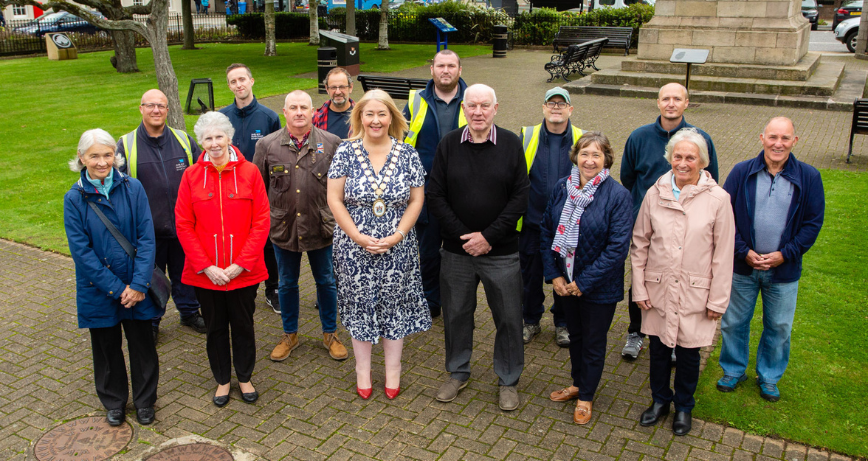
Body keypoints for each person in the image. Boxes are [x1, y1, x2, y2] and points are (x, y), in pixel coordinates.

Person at [427, 84, 529, 411]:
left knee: (510, 318)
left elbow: (520, 199)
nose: (478, 112)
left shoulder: (512, 144)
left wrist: (488, 237)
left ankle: (509, 379)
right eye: (472, 105)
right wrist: (465, 237)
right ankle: (458, 372)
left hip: (501, 252)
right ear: (465, 109)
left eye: (485, 105)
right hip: (457, 252)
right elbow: (436, 196)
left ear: (496, 108)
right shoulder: (448, 145)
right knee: (456, 315)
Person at [327, 89, 431, 400]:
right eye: (369, 114)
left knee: (394, 306)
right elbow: (334, 198)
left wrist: (398, 234)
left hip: (397, 247)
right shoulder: (345, 151)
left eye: (382, 114)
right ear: (359, 116)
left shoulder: (408, 153)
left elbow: (417, 199)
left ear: (391, 118)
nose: (376, 120)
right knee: (360, 307)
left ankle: (393, 369)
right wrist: (357, 236)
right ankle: (362, 371)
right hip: (354, 247)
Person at [630, 128, 734, 436]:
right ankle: (660, 401)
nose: (683, 163)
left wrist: (717, 300)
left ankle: (684, 408)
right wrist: (639, 286)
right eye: (678, 156)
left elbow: (723, 253)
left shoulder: (718, 199)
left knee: (689, 354)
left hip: (696, 292)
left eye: (691, 157)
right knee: (659, 350)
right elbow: (640, 243)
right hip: (658, 287)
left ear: (703, 161)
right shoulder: (654, 192)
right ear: (669, 159)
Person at [717, 117, 825, 402]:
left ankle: (769, 376)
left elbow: (813, 224)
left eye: (785, 138)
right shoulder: (741, 172)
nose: (779, 144)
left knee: (779, 326)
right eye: (773, 137)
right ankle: (733, 369)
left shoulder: (809, 176)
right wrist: (743, 251)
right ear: (762, 138)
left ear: (795, 141)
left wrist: (784, 255)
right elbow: (724, 217)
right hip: (743, 265)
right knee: (734, 321)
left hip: (784, 270)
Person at [64, 129, 159, 427]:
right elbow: (82, 253)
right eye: (94, 156)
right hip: (99, 290)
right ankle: (114, 401)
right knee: (106, 349)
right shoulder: (74, 198)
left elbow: (147, 238)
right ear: (82, 158)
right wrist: (119, 289)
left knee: (143, 346)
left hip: (137, 285)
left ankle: (145, 401)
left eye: (107, 154)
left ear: (114, 156)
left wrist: (139, 284)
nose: (102, 162)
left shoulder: (133, 188)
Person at [175, 112, 270, 407]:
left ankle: (244, 377)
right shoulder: (190, 176)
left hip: (243, 271)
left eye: (219, 137)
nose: (214, 144)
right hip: (207, 274)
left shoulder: (250, 172)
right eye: (208, 138)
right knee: (215, 328)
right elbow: (183, 223)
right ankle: (222, 381)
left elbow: (261, 221)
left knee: (243, 325)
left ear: (229, 138)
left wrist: (241, 263)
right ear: (201, 142)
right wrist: (206, 266)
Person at [619, 82, 719, 361]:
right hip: (648, 224)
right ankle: (637, 332)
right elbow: (628, 178)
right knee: (642, 277)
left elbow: (712, 181)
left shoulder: (701, 139)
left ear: (687, 103)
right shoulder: (638, 137)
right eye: (666, 98)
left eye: (677, 98)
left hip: (688, 227)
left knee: (681, 281)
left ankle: (674, 337)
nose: (671, 103)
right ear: (658, 102)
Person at [539, 132, 632, 425]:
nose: (589, 160)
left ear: (606, 159)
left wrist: (584, 283)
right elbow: (545, 231)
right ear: (575, 157)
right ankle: (578, 383)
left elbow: (617, 248)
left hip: (598, 287)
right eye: (584, 154)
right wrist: (553, 275)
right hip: (564, 283)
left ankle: (586, 397)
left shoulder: (618, 195)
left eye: (596, 155)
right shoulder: (561, 188)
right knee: (575, 337)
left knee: (593, 341)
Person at [254, 91, 349, 363]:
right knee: (286, 284)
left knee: (327, 282)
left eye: (303, 107)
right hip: (283, 229)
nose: (298, 112)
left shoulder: (332, 143)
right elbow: (258, 189)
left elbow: (343, 188)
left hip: (323, 227)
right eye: (293, 107)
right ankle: (290, 334)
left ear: (312, 112)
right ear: (284, 111)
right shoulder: (267, 145)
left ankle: (330, 333)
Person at [118, 89, 205, 342]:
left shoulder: (184, 140)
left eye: (161, 106)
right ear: (141, 108)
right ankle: (152, 321)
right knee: (149, 278)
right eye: (150, 105)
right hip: (147, 231)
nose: (156, 110)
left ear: (167, 110)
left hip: (183, 227)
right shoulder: (126, 144)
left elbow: (202, 175)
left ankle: (189, 312)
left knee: (185, 275)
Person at [402, 49, 468, 319]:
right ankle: (431, 300)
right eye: (440, 65)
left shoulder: (472, 99)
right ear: (432, 70)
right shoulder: (415, 100)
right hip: (425, 190)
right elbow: (402, 140)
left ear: (459, 70)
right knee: (428, 251)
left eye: (451, 66)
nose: (445, 71)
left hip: (462, 190)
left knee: (458, 251)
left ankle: (458, 301)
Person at [518, 86, 584, 347]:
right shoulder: (526, 135)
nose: (556, 107)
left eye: (561, 103)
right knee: (530, 277)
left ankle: (563, 324)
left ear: (570, 109)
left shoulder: (582, 138)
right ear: (543, 107)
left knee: (566, 277)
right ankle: (530, 321)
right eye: (551, 103)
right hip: (532, 223)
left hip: (569, 226)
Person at [219, 63, 282, 314]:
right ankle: (241, 286)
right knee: (237, 240)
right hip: (230, 194)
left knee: (266, 242)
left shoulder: (268, 117)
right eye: (233, 81)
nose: (239, 85)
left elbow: (278, 155)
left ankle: (273, 289)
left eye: (242, 79)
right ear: (229, 86)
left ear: (252, 81)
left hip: (261, 192)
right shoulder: (223, 118)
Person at [313, 67, 356, 139]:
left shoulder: (361, 116)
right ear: (327, 89)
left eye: (342, 87)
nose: (338, 92)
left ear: (350, 87)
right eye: (333, 87)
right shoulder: (316, 119)